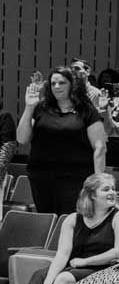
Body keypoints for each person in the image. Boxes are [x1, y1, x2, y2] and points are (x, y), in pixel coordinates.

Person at [17, 67, 106, 213]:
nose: (57, 87)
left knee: (69, 220)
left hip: (76, 179)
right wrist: (29, 107)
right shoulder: (41, 108)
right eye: (53, 83)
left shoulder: (87, 110)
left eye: (62, 83)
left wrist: (98, 181)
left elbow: (100, 147)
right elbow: (21, 138)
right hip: (41, 178)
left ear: (72, 84)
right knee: (48, 219)